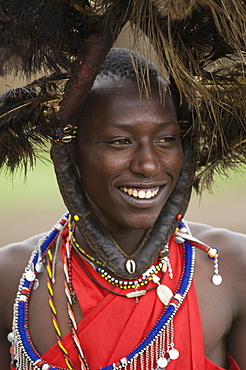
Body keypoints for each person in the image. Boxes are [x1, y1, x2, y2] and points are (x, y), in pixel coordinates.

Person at [0, 47, 245, 370]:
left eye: (166, 139)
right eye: (120, 141)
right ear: (71, 152)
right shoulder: (12, 277)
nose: (147, 164)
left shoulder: (232, 269)